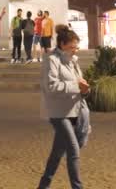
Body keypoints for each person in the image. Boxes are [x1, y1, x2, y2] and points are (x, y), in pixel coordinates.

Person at [38, 24, 89, 189]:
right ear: (63, 45)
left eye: (76, 46)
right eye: (73, 46)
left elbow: (78, 86)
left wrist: (85, 89)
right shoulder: (51, 60)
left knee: (56, 154)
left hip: (74, 111)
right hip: (59, 113)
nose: (76, 50)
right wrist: (75, 85)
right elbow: (51, 87)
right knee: (73, 150)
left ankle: (43, 185)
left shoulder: (73, 62)